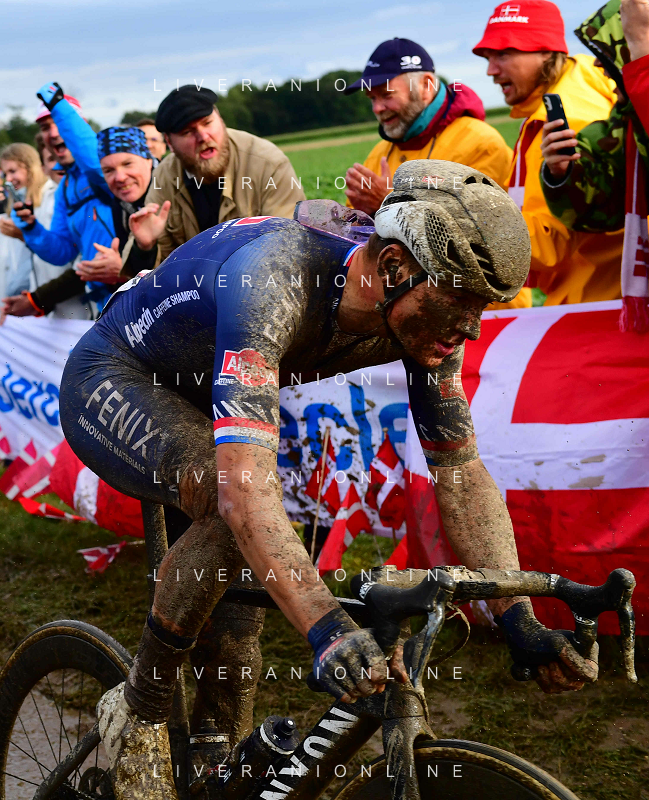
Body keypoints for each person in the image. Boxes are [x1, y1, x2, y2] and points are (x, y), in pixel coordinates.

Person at [62, 161, 597, 800]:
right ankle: (141, 707)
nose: (472, 327)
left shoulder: (419, 307)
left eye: (482, 306)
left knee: (237, 629)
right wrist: (326, 628)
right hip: (118, 375)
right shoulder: (275, 280)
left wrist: (518, 616)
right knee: (232, 514)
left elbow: (459, 470)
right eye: (460, 302)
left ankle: (211, 764)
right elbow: (242, 492)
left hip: (207, 389)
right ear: (394, 266)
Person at [475, 0, 624, 306]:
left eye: (503, 54)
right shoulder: (583, 78)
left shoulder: (564, 123)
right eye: (488, 57)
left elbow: (552, 244)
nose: (491, 70)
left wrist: (466, 222)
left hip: (594, 299)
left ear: (545, 50)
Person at [539, 0, 649, 322]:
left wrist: (642, 59)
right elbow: (603, 205)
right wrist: (563, 173)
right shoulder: (627, 118)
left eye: (607, 53)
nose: (598, 64)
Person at [133, 85, 306, 269]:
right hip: (191, 283)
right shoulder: (165, 177)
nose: (203, 136)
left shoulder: (268, 163)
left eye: (207, 123)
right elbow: (161, 268)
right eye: (187, 132)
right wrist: (145, 248)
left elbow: (288, 246)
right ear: (169, 143)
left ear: (220, 120)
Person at [343, 38, 513, 216]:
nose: (377, 108)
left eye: (386, 95)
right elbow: (354, 223)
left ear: (425, 86)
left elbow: (482, 225)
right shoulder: (378, 155)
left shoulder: (481, 144)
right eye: (372, 98)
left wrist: (388, 204)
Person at [0, 86, 127, 320]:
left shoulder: (105, 167)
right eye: (45, 127)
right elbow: (62, 252)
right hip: (104, 302)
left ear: (75, 125)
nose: (53, 133)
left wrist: (59, 106)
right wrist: (32, 228)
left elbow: (93, 162)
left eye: (58, 123)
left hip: (136, 289)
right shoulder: (65, 188)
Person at [0, 143, 67, 321]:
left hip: (44, 307)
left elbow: (47, 256)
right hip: (14, 310)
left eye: (13, 171)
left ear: (31, 168)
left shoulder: (51, 201)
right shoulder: (7, 216)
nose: (8, 179)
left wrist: (24, 235)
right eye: (5, 174)